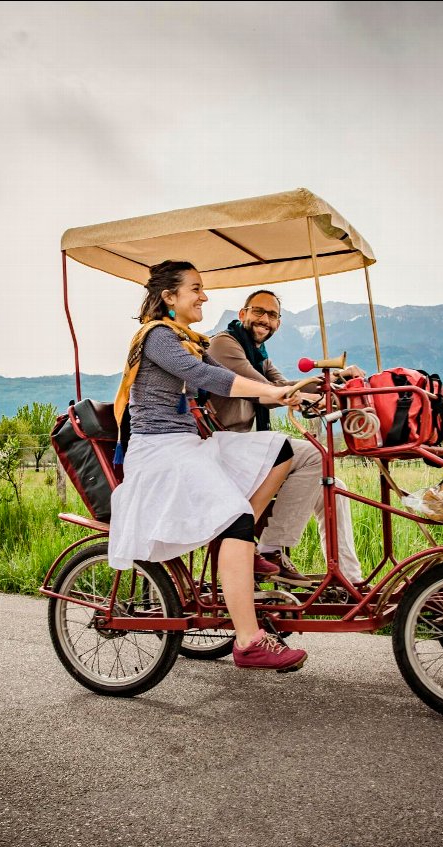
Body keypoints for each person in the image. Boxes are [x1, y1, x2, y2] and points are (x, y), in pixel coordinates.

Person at [108, 260, 312, 672]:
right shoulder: (157, 338)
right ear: (169, 297)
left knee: (280, 451)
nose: (204, 296)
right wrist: (280, 391)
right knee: (237, 515)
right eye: (196, 289)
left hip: (188, 445)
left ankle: (238, 542)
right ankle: (249, 641)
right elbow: (211, 379)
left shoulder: (189, 339)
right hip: (159, 451)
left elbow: (243, 384)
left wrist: (297, 396)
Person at [207, 289, 366, 586]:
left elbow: (284, 385)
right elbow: (265, 391)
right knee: (315, 456)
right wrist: (302, 395)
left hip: (243, 448)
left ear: (278, 323)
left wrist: (335, 382)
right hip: (221, 447)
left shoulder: (258, 356)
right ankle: (271, 546)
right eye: (258, 312)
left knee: (334, 486)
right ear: (242, 314)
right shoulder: (224, 345)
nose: (264, 320)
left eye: (272, 315)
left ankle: (348, 579)